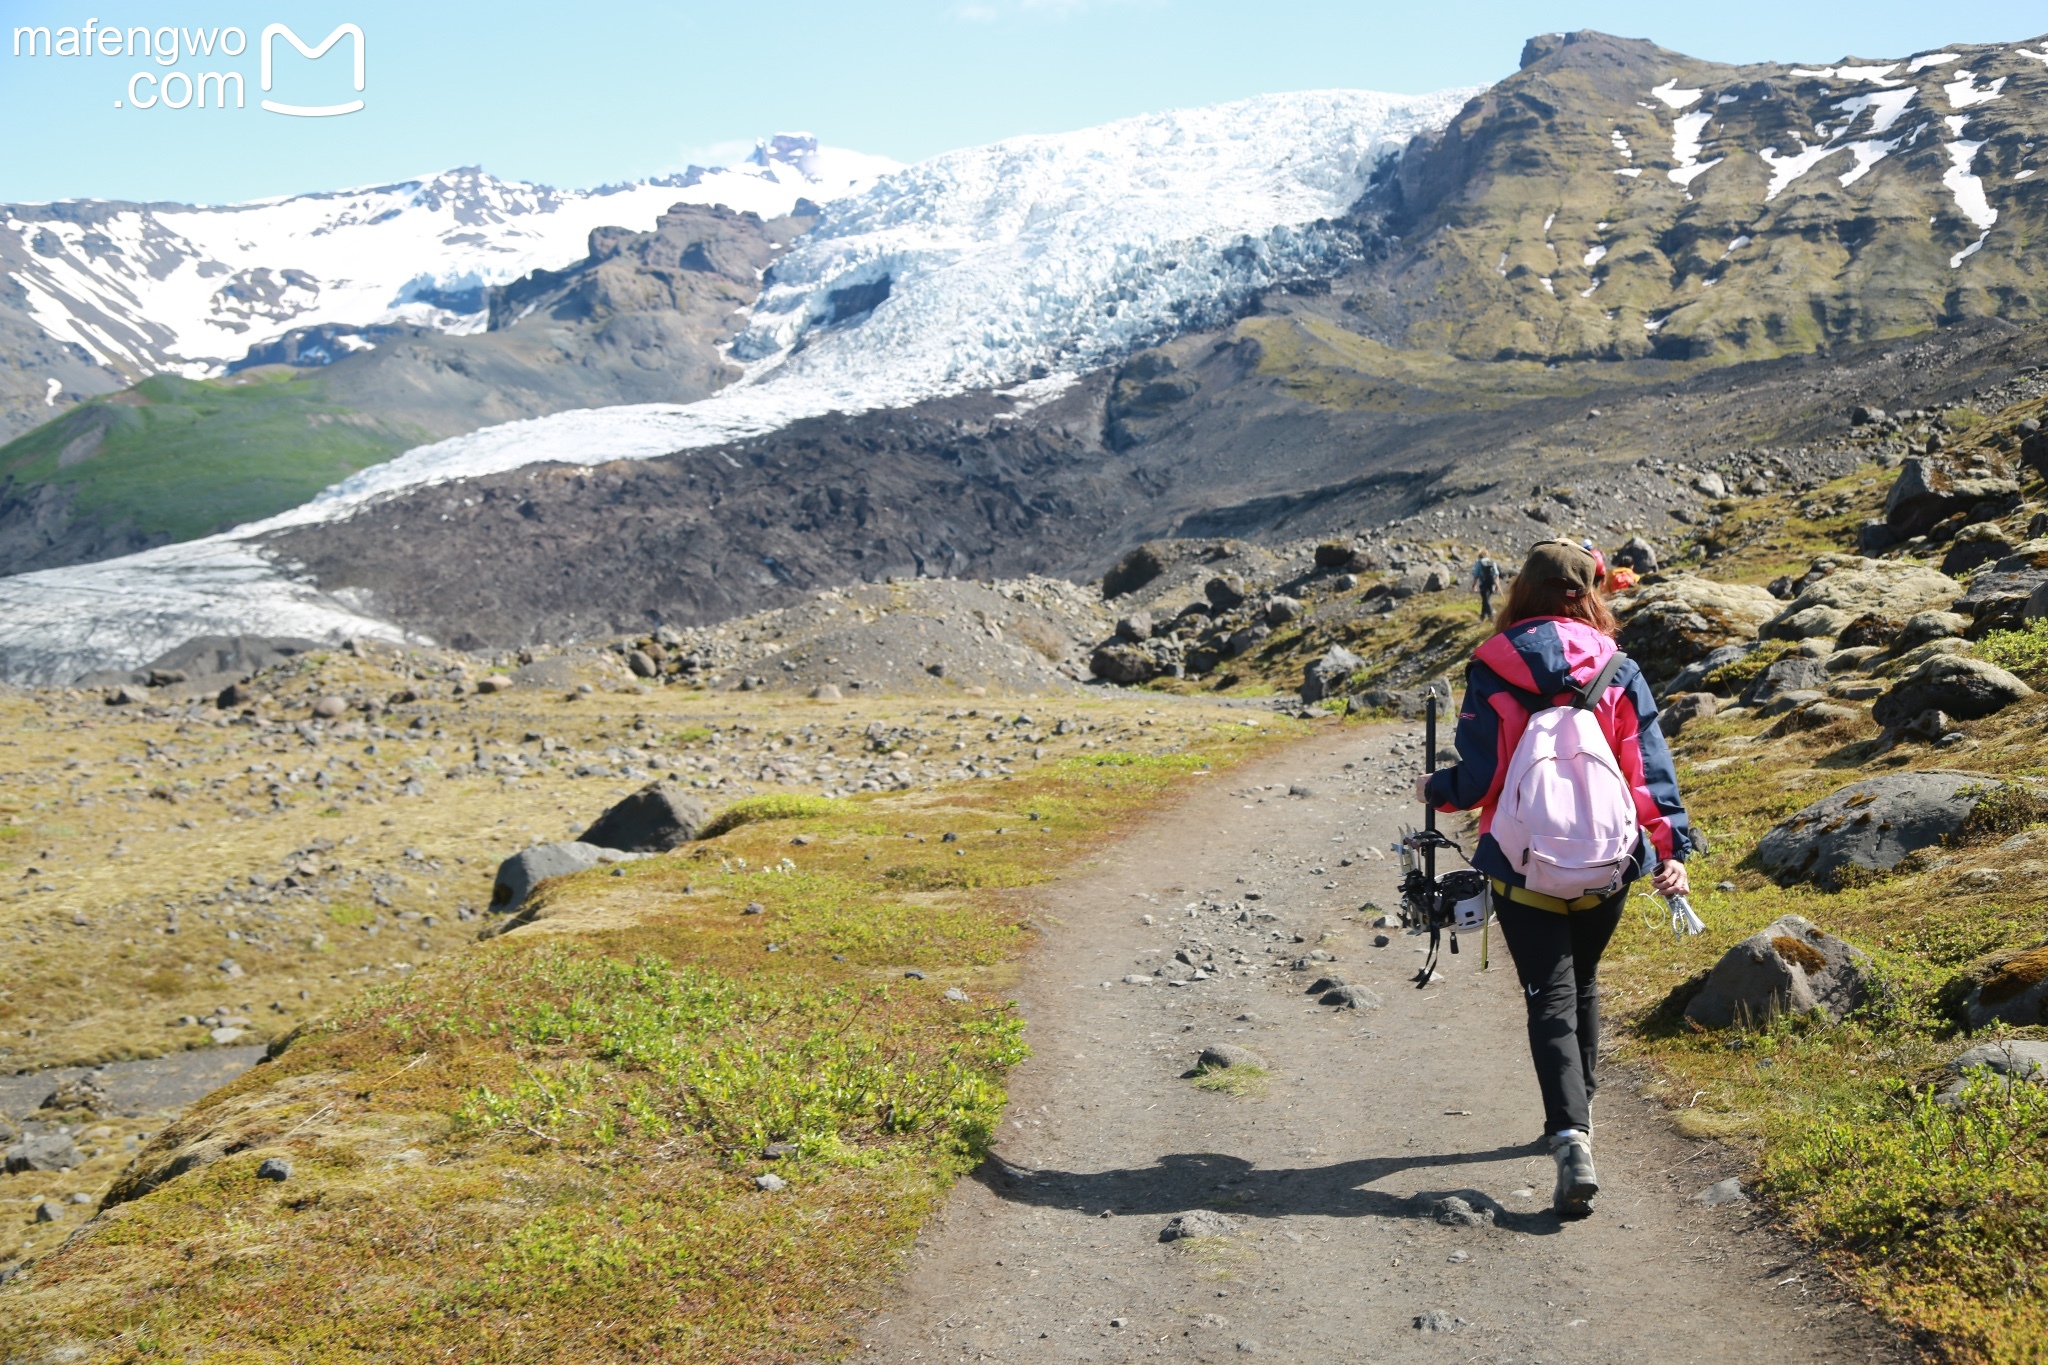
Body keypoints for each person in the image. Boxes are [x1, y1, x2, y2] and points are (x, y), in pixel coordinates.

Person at [1416, 539, 1693, 1218]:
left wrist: (1437, 787)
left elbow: (1478, 777)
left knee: (1550, 993)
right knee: (1586, 981)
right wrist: (1670, 847)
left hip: (1522, 862)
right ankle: (1582, 1111)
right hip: (1608, 861)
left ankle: (1569, 1136)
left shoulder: (1494, 666)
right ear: (1588, 593)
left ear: (1523, 591)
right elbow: (1646, 770)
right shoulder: (1621, 668)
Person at [1470, 551, 1502, 618]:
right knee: (1486, 599)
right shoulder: (1492, 562)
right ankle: (1483, 616)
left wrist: (1474, 585)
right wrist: (1497, 585)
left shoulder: (1479, 563)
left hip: (1483, 584)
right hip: (1491, 583)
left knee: (1486, 600)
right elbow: (1496, 574)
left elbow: (1476, 575)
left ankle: (1491, 616)